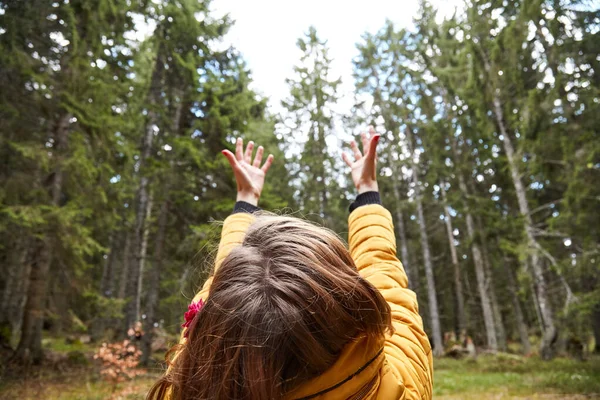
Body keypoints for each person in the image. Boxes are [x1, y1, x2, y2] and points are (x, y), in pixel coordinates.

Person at [147, 130, 433, 399]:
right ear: (353, 308)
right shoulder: (398, 387)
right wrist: (367, 191)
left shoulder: (187, 383)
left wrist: (245, 203)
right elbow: (383, 270)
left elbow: (223, 291)